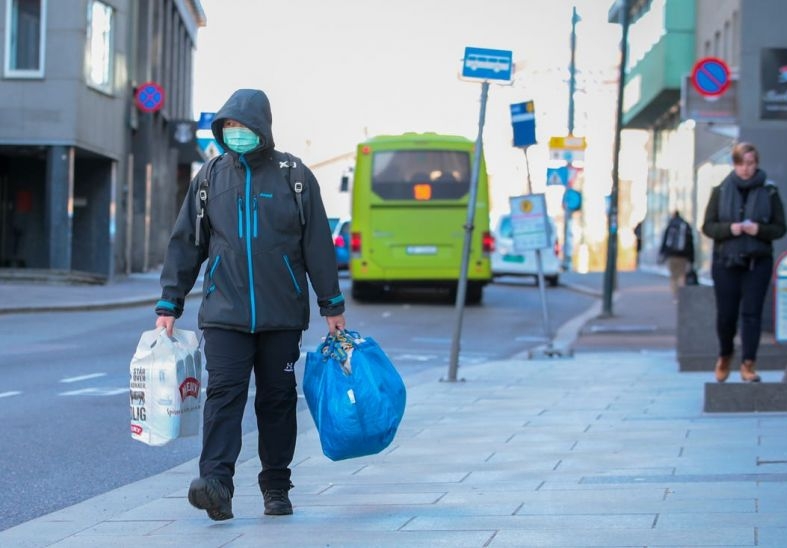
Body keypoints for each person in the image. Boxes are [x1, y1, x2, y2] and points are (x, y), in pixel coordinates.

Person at [154, 89, 346, 521]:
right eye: (229, 128)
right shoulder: (209, 179)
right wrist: (170, 302)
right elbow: (187, 243)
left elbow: (317, 244)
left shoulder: (293, 176)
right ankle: (216, 484)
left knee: (277, 400)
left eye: (243, 127)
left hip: (281, 314)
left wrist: (331, 304)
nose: (236, 134)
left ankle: (276, 486)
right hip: (225, 313)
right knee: (223, 395)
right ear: (222, 131)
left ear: (262, 127)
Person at [701, 142, 785, 383]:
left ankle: (748, 364)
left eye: (750, 163)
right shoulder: (721, 190)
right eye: (741, 163)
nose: (746, 169)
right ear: (734, 164)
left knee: (752, 314)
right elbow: (708, 226)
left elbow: (780, 228)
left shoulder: (769, 191)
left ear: (756, 164)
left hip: (757, 262)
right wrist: (731, 229)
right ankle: (725, 355)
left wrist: (759, 229)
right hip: (726, 261)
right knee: (726, 315)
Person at [659, 211, 695, 299]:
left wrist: (662, 254)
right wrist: (691, 258)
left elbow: (665, 241)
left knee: (673, 276)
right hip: (683, 256)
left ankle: (674, 294)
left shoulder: (670, 225)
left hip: (671, 255)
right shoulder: (685, 225)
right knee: (682, 275)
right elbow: (690, 243)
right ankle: (680, 295)